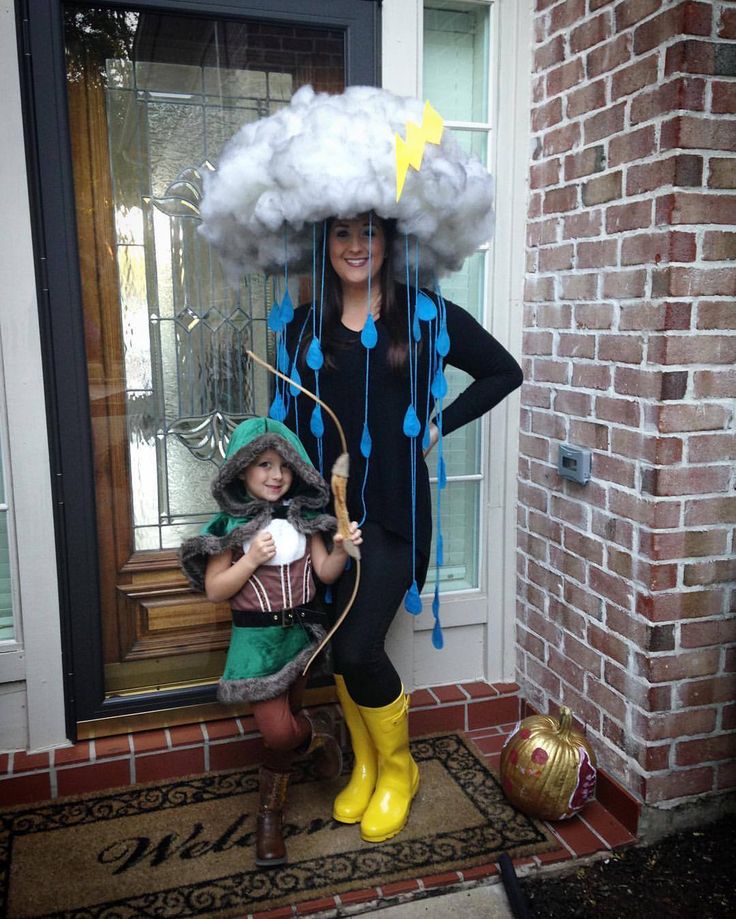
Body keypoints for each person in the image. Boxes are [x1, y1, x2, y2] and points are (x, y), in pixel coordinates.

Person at [283, 213, 524, 843]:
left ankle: (399, 769)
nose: (356, 246)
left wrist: (438, 427)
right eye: (341, 233)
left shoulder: (424, 316)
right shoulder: (305, 327)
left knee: (360, 647)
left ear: (390, 242)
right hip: (330, 517)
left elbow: (504, 371)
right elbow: (296, 425)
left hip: (394, 512)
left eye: (369, 232)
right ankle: (365, 764)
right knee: (337, 646)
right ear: (324, 245)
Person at [180, 416, 362, 867]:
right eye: (262, 464)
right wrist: (250, 560)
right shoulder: (232, 527)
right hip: (256, 644)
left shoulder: (304, 519)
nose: (275, 475)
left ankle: (270, 818)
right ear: (241, 470)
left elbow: (324, 575)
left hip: (299, 638)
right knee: (280, 731)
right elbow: (215, 589)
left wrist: (341, 547)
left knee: (283, 729)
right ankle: (318, 734)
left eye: (283, 465)